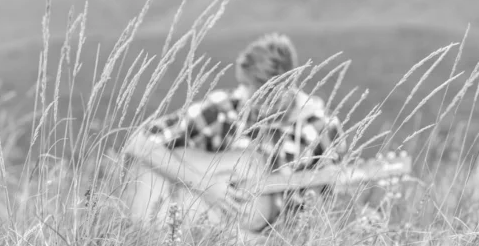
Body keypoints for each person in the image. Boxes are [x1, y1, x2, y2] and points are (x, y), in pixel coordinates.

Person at [122, 33, 347, 234]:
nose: (248, 96)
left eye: (262, 92)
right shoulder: (226, 109)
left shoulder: (321, 128)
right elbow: (138, 142)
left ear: (288, 86)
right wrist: (203, 185)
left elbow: (327, 210)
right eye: (246, 85)